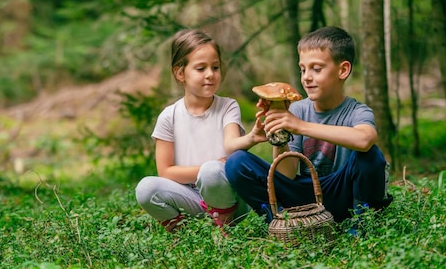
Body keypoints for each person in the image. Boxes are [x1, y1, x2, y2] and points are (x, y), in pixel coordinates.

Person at [225, 26, 392, 235]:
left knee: (371, 156)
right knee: (237, 162)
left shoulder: (357, 111)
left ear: (343, 70)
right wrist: (279, 134)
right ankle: (281, 220)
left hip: (341, 191)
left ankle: (361, 221)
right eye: (303, 69)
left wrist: (300, 126)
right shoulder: (297, 109)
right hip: (305, 194)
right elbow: (287, 174)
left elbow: (365, 139)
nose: (306, 77)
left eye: (316, 68)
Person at [135, 29, 266, 232]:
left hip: (228, 197)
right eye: (200, 68)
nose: (210, 75)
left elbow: (231, 146)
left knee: (212, 172)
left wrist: (251, 138)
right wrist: (212, 165)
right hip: (191, 199)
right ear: (180, 73)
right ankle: (185, 233)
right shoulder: (169, 116)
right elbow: (165, 171)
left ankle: (224, 227)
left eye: (215, 67)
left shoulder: (228, 107)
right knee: (146, 188)